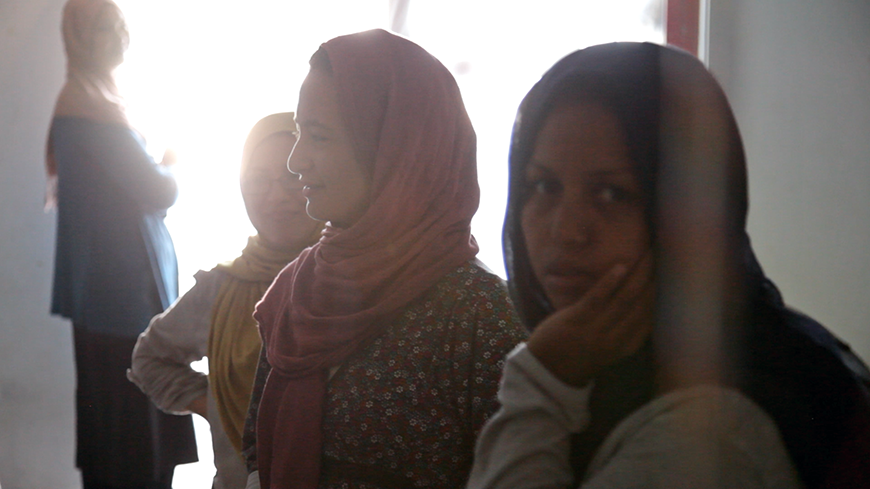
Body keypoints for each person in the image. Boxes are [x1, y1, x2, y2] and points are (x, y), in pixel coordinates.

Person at [468, 42, 870, 489]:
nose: (566, 231)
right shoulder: (609, 364)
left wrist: (540, 382)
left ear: (691, 215)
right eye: (543, 186)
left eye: (611, 194)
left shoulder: (713, 432)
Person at [241, 29, 527, 489]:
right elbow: (257, 443)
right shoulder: (298, 289)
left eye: (318, 137)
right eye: (298, 133)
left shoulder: (478, 316)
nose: (296, 161)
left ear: (397, 148)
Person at [46, 0, 197, 487]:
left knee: (127, 440)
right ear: (77, 35)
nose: (113, 36)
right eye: (100, 27)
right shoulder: (89, 106)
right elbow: (159, 190)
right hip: (120, 307)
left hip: (116, 303)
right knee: (132, 444)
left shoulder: (93, 98)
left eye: (116, 25)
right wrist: (173, 158)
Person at [128, 113, 323, 489]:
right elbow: (149, 358)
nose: (276, 196)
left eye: (292, 178)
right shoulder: (225, 287)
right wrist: (214, 405)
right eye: (258, 181)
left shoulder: (355, 280)